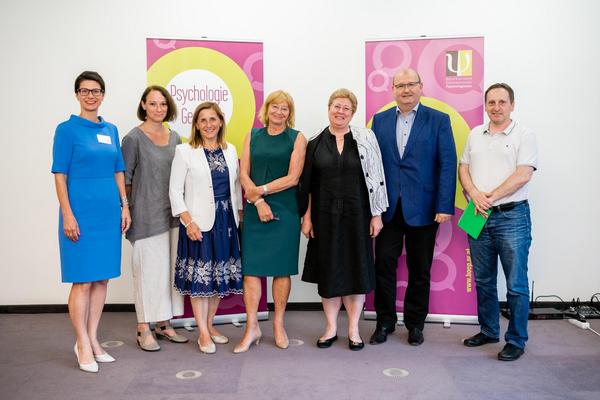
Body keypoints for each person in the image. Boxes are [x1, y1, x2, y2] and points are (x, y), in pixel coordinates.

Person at [370, 68, 457, 346]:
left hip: (425, 208)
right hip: (388, 209)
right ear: (393, 90)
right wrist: (372, 208)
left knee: (421, 270)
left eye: (411, 84)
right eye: (400, 85)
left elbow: (447, 164)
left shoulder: (439, 120)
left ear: (421, 87)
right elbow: (372, 167)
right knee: (383, 265)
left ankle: (415, 324)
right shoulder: (379, 121)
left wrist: (444, 204)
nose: (406, 90)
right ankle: (384, 322)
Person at [52, 71, 131, 373]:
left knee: (101, 278)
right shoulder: (66, 130)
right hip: (80, 213)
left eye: (96, 91)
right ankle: (81, 342)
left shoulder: (110, 129)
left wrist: (124, 206)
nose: (91, 96)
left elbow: (118, 172)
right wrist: (67, 213)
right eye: (85, 91)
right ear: (77, 94)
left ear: (103, 94)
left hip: (108, 213)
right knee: (82, 280)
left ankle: (94, 339)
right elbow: (60, 174)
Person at [299, 89, 388, 351]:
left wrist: (377, 214)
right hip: (323, 217)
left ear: (353, 113)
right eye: (336, 106)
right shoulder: (314, 142)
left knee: (356, 271)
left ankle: (353, 329)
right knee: (329, 273)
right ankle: (330, 328)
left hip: (357, 216)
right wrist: (306, 217)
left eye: (346, 108)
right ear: (328, 108)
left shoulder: (365, 138)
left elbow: (377, 176)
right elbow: (308, 184)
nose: (340, 111)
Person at [459, 83, 537, 361]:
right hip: (476, 214)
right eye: (491, 102)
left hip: (511, 215)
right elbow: (464, 168)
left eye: (502, 102)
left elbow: (524, 174)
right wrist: (475, 195)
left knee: (516, 283)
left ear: (512, 105)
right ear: (485, 105)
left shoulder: (524, 135)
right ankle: (489, 330)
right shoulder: (474, 135)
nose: (496, 107)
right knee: (483, 280)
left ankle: (516, 339)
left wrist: (489, 197)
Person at [234, 90, 307, 353]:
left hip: (285, 210)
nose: (279, 112)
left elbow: (293, 178)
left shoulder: (298, 138)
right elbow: (243, 173)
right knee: (251, 270)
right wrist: (257, 201)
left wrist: (261, 191)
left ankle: (278, 323)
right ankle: (252, 326)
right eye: (274, 107)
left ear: (290, 112)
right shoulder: (252, 135)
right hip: (255, 208)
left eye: (284, 108)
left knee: (281, 269)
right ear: (267, 109)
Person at [169, 101, 244, 354]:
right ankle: (202, 333)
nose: (209, 125)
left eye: (213, 119)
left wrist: (239, 218)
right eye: (203, 120)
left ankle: (210, 325)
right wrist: (188, 221)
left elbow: (235, 187)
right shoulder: (185, 151)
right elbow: (175, 191)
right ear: (196, 125)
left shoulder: (231, 150)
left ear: (220, 122)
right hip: (198, 223)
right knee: (201, 280)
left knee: (217, 279)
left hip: (226, 222)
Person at [122, 86, 187, 352]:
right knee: (147, 274)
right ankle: (143, 328)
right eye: (153, 104)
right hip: (145, 217)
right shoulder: (133, 138)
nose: (158, 108)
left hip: (173, 216)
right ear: (143, 105)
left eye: (162, 104)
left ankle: (163, 323)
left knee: (169, 273)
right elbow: (124, 181)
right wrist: (126, 210)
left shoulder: (176, 138)